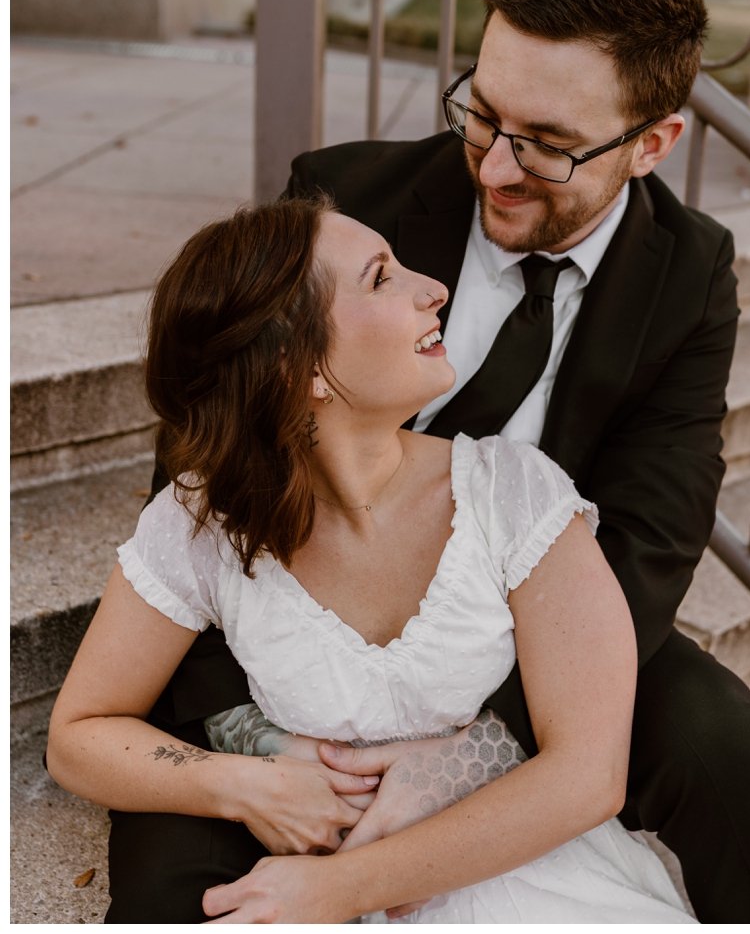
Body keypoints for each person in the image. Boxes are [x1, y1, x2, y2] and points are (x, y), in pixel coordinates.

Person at [94, 0, 750, 921]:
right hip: (294, 627)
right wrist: (254, 739)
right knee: (186, 891)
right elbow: (210, 454)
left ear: (651, 142)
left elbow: (652, 533)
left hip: (543, 626)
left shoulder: (688, 272)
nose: (496, 168)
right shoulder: (347, 197)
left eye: (550, 141)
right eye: (483, 114)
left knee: (743, 775)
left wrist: (483, 742)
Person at [51, 196, 693, 921]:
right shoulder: (202, 523)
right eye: (382, 278)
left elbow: (589, 774)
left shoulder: (512, 490)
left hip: (528, 876)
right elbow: (78, 736)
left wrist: (341, 888)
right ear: (300, 367)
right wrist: (240, 783)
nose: (434, 288)